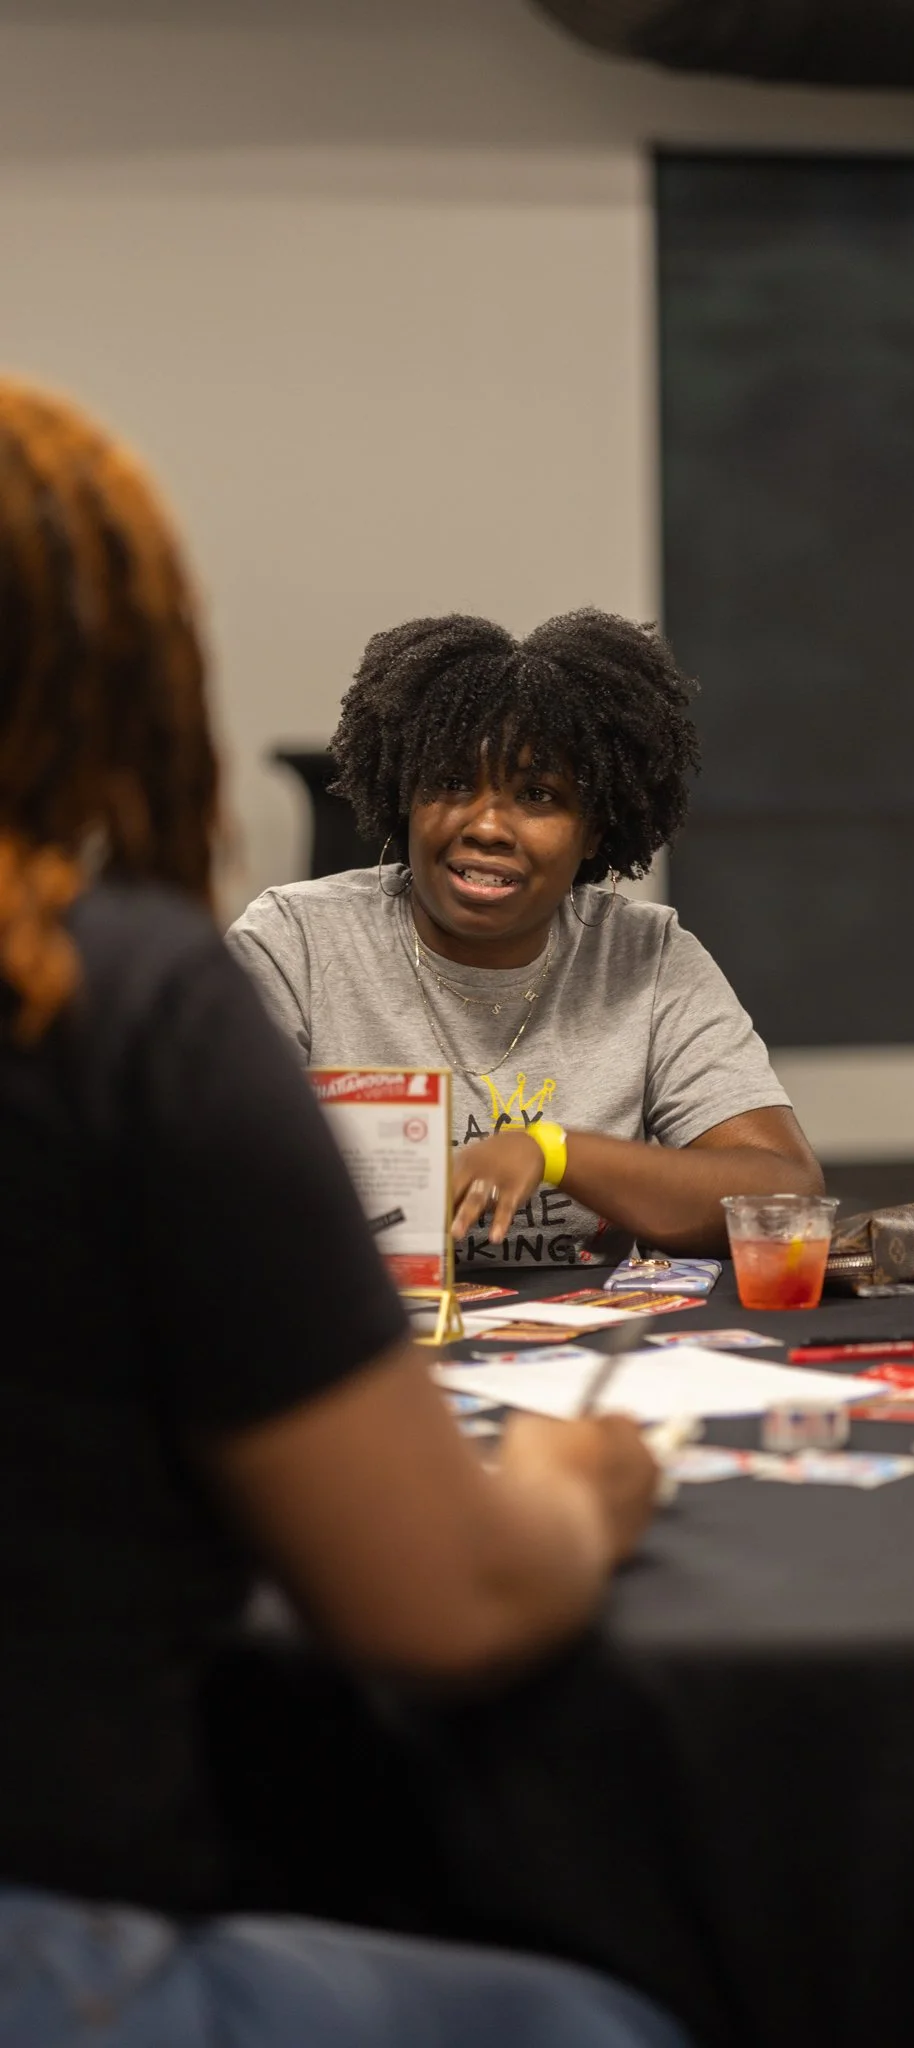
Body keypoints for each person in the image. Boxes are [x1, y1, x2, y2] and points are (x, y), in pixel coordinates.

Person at [0, 377, 685, 2048]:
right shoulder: (118, 999)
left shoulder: (651, 955)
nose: (489, 825)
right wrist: (573, 1486)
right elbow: (436, 1605)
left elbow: (779, 1169)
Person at [227, 610, 822, 1269]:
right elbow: (199, 1180)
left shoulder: (644, 957)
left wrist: (552, 1151)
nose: (486, 826)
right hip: (358, 1344)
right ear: (406, 797)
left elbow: (783, 1195)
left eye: (538, 794)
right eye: (451, 783)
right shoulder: (295, 944)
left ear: (594, 830)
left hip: (584, 1360)